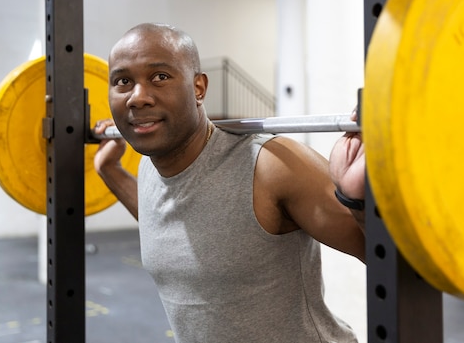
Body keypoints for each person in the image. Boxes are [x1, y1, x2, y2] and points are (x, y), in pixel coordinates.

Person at [93, 22, 366, 343]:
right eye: (123, 81)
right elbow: (171, 225)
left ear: (198, 88)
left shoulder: (270, 165)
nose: (138, 98)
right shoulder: (151, 170)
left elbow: (390, 258)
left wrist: (357, 200)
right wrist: (109, 169)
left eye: (160, 77)